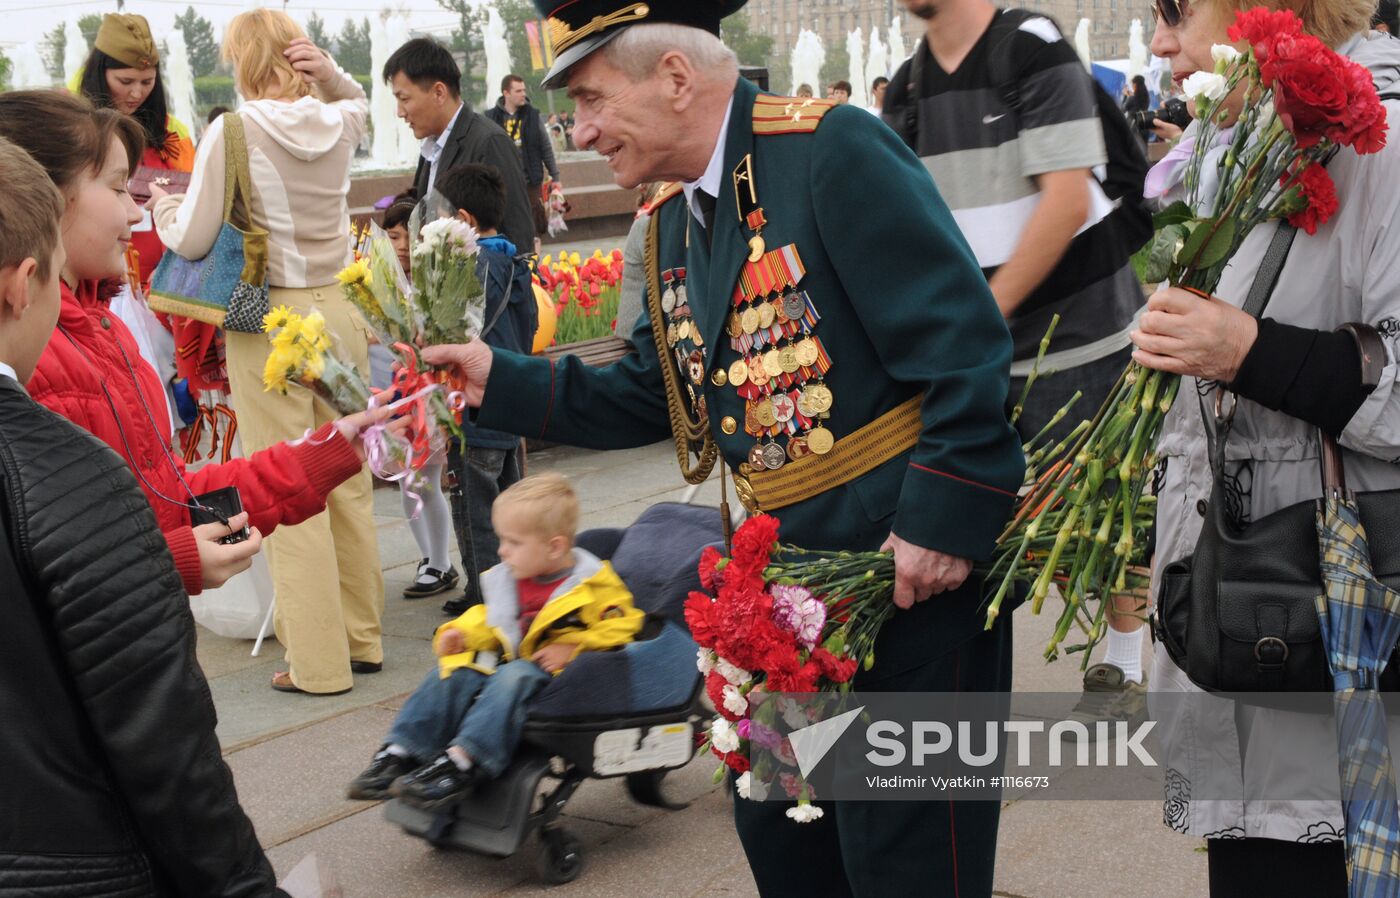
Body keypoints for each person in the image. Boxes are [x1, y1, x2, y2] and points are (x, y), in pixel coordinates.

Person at [422, 2, 1025, 894]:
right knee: (792, 847)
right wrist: (495, 377)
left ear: (673, 77)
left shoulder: (829, 149)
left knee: (906, 862)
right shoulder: (674, 222)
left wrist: (941, 521)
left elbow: (965, 346)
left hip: (902, 580)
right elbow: (653, 388)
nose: (579, 132)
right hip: (781, 597)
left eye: (591, 100)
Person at [1138, 0, 1400, 892]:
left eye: (1179, 12)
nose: (1161, 43)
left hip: (1339, 654)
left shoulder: (1384, 145)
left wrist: (1246, 349)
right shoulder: (1246, 151)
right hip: (1257, 642)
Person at [0, 136, 290, 898]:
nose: (136, 207)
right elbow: (155, 735)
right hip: (244, 363)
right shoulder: (210, 208)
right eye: (119, 187)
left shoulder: (199, 197)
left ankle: (330, 652)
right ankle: (325, 657)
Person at [889, 0, 1151, 726]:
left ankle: (1123, 667)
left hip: (1079, 336)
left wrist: (975, 320)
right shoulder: (904, 92)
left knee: (1100, 512)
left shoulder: (1030, 45)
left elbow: (1065, 201)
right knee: (991, 523)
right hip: (985, 351)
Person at [154, 9, 386, 697]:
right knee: (347, 476)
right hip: (339, 309)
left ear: (243, 60)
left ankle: (317, 663)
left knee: (289, 483)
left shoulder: (233, 128)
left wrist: (165, 211)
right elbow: (358, 100)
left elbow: (194, 241)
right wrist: (333, 72)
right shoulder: (338, 119)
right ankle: (364, 637)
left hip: (271, 320)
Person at [346, 472, 643, 807]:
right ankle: (401, 751)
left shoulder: (592, 585)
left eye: (513, 543)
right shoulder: (514, 576)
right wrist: (458, 634)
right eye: (502, 540)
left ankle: (465, 760)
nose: (502, 551)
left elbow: (625, 625)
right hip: (512, 664)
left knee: (512, 675)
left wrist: (575, 647)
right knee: (454, 671)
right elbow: (492, 619)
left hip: (562, 676)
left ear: (554, 546)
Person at [430, 163, 538, 617]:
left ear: (464, 219)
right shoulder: (515, 262)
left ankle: (484, 596)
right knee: (513, 504)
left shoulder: (467, 266)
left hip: (472, 411)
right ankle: (522, 586)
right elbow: (530, 324)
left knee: (476, 510)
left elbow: (447, 331)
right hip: (510, 401)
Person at [374, 188, 461, 601]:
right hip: (398, 392)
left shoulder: (437, 280)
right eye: (393, 236)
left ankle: (442, 561)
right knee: (406, 478)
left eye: (408, 235)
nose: (402, 246)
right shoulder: (383, 282)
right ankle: (429, 557)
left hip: (431, 392)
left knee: (426, 477)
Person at [383, 38, 536, 252]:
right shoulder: (432, 147)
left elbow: (517, 236)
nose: (399, 112)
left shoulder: (489, 142)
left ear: (439, 93)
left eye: (404, 99)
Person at [78, 13, 196, 290]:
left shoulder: (172, 135)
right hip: (95, 280)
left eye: (147, 82)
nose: (136, 93)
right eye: (125, 81)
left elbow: (194, 204)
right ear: (100, 73)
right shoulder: (72, 129)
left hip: (162, 282)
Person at [486, 73, 563, 247]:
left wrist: (555, 177)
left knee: (533, 225)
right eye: (518, 90)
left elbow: (545, 147)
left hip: (530, 181)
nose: (523, 94)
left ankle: (533, 265)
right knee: (506, 225)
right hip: (502, 182)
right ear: (506, 93)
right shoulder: (492, 117)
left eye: (524, 90)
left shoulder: (532, 116)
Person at [1124, 73, 1152, 146]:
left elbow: (1123, 109)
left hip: (1134, 127)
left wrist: (1125, 96)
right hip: (1145, 124)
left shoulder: (1132, 99)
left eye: (1132, 84)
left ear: (1135, 84)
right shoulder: (1146, 97)